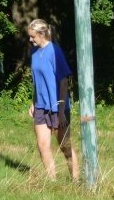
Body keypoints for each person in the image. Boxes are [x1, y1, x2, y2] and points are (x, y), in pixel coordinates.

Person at [28, 19, 80, 183]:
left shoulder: (54, 51)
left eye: (33, 36)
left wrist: (61, 111)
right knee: (42, 146)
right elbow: (37, 81)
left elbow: (64, 82)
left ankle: (76, 181)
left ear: (42, 34)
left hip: (57, 107)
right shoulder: (34, 52)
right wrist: (34, 102)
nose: (30, 40)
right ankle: (52, 182)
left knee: (65, 146)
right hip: (41, 106)